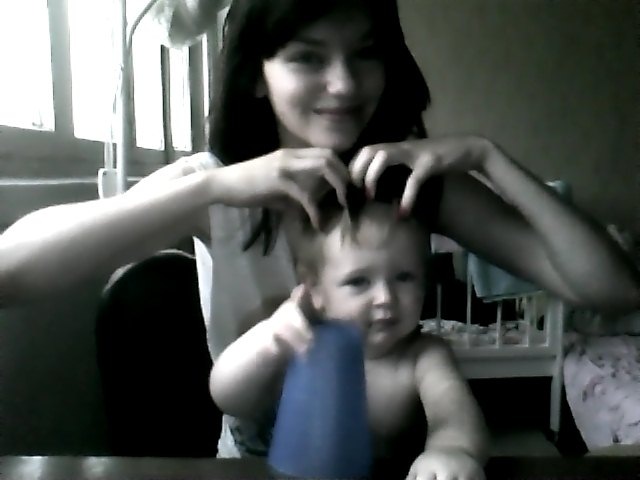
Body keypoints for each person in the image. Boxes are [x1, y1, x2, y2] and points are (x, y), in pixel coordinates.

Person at [0, 0, 637, 382]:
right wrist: (211, 187)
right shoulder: (215, 187)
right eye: (308, 58)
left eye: (365, 54)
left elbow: (613, 290)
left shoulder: (409, 185)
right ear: (257, 75)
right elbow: (10, 272)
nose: (344, 85)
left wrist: (487, 157)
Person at [210, 187, 489, 479]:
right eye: (359, 281)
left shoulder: (423, 355)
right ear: (316, 288)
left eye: (404, 277)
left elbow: (454, 417)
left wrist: (452, 450)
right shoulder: (298, 338)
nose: (385, 297)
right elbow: (228, 397)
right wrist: (269, 341)